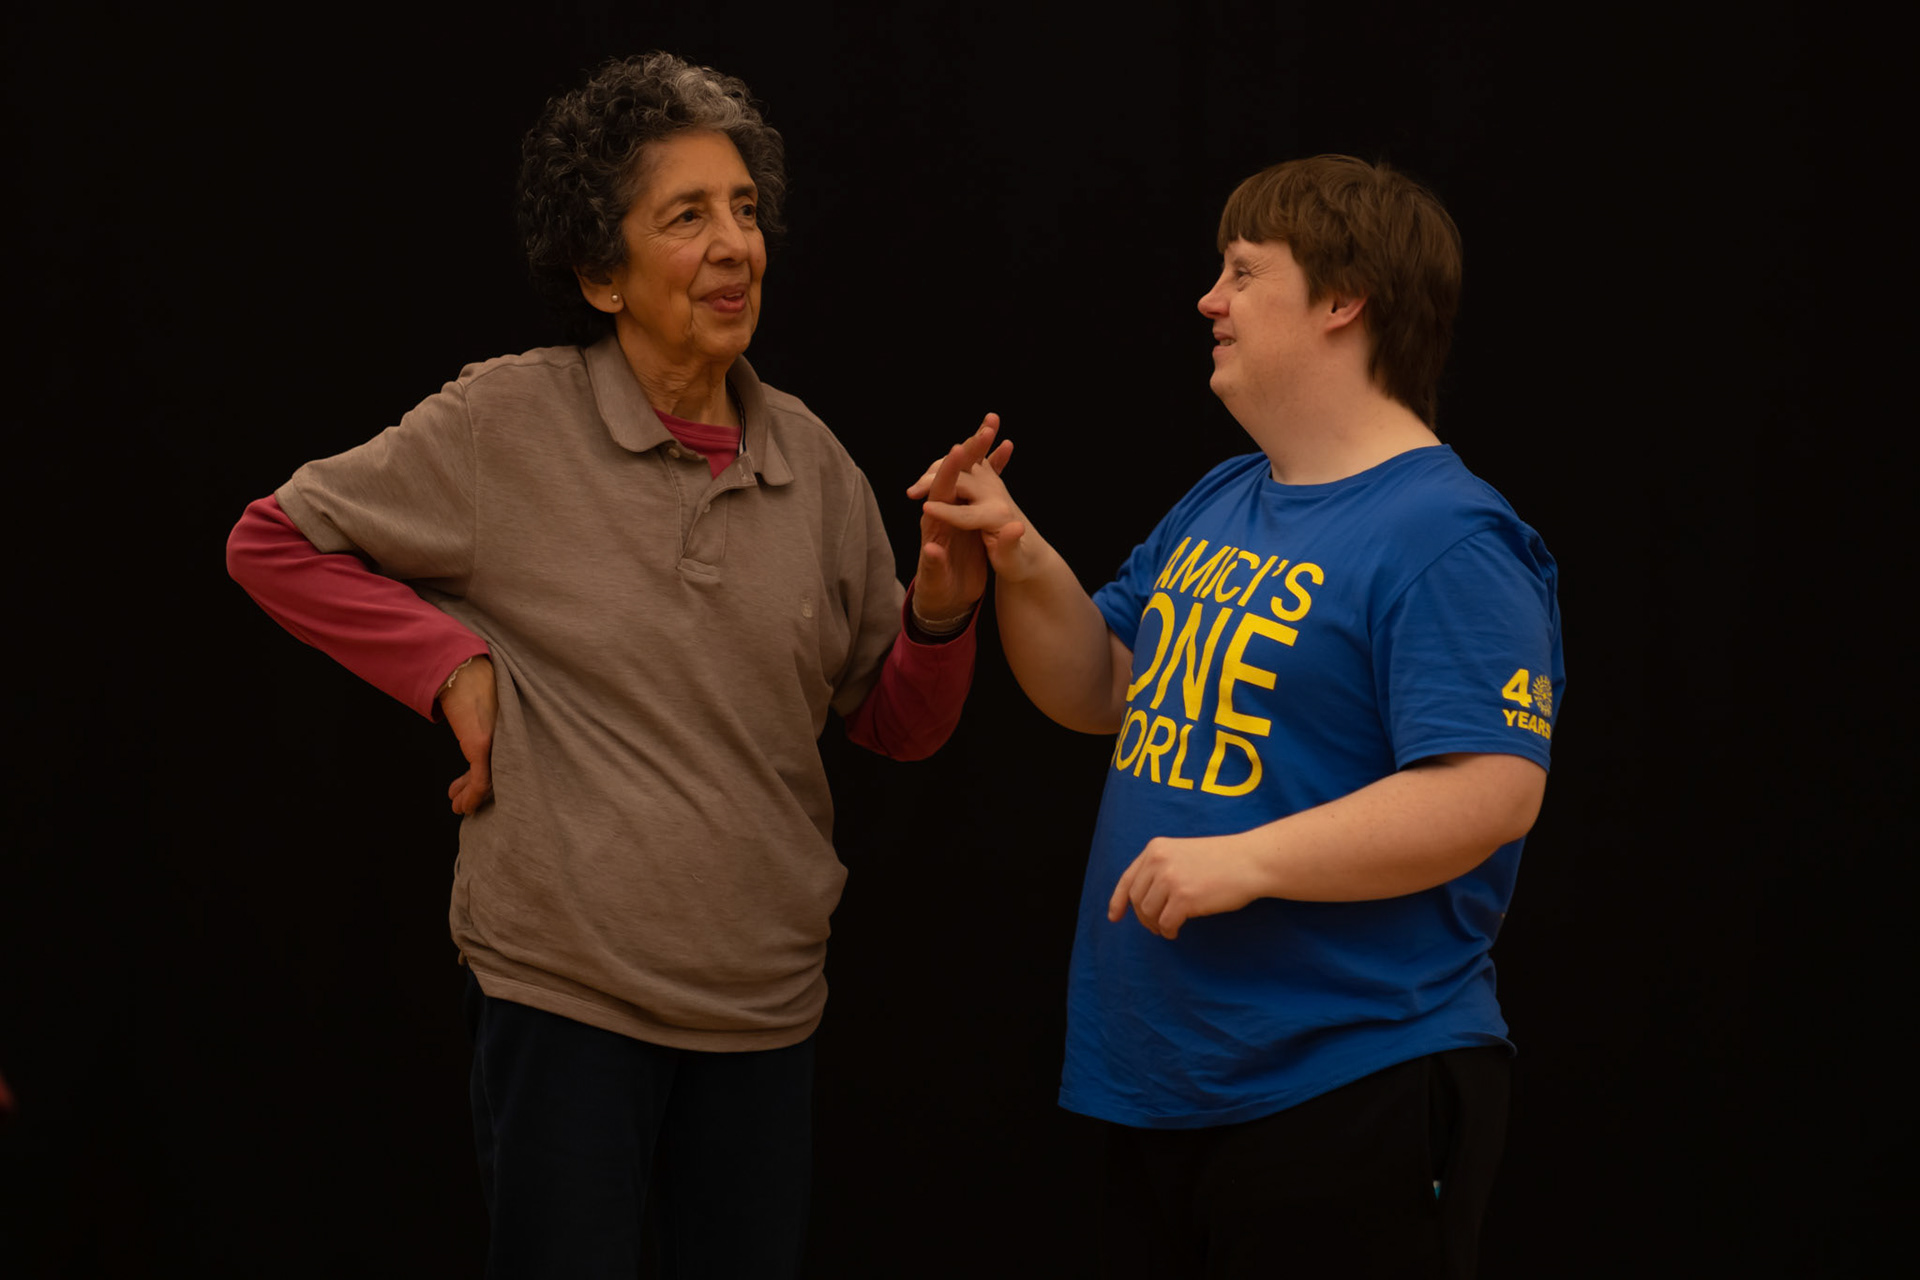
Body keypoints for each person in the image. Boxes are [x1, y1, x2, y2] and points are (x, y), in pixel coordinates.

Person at [226, 53, 1005, 1278]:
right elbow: (272, 540)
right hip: (565, 994)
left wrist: (944, 613)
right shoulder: (503, 423)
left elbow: (895, 724)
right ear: (601, 274)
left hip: (765, 1003)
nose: (735, 244)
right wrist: (451, 663)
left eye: (744, 209)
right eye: (686, 216)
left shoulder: (813, 461)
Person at [917, 155, 1564, 1277]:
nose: (1209, 300)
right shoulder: (1225, 496)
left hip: (1347, 1082)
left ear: (1343, 298)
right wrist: (1016, 553)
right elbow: (1100, 686)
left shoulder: (1450, 535)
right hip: (1164, 1084)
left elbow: (1492, 790)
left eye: (1243, 272)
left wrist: (1249, 860)